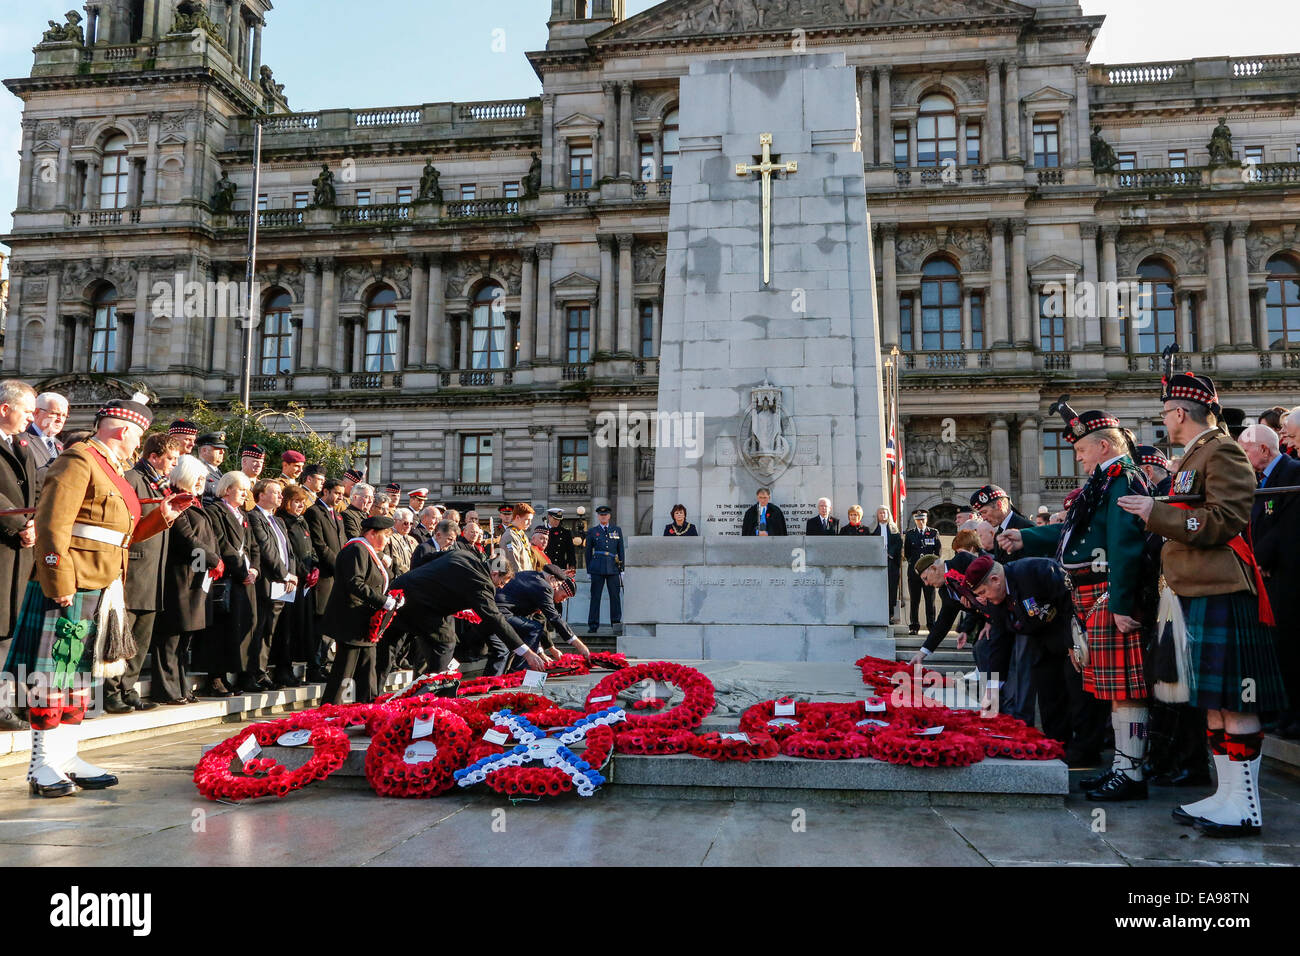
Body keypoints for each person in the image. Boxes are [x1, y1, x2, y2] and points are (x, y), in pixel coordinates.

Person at [1118, 364, 1287, 837]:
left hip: (1221, 588)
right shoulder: (1196, 454)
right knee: (1213, 701)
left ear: (1178, 412)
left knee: (1235, 700)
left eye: (1166, 414)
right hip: (1196, 587)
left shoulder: (1223, 451)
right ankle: (1226, 795)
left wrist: (1157, 513)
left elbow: (1225, 521)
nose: (1164, 422)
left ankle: (1246, 806)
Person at [6, 396, 193, 796]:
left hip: (100, 584)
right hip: (71, 584)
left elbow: (119, 537)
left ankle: (67, 757)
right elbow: (53, 524)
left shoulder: (110, 467)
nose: (139, 445)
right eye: (138, 436)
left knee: (76, 677)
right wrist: (59, 583)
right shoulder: (79, 459)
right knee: (50, 676)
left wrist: (163, 516)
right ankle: (41, 766)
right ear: (124, 430)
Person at [1001, 400, 1150, 792]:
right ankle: (1122, 765)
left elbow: (1125, 544)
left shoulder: (1123, 478)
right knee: (1112, 690)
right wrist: (1026, 536)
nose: (1079, 459)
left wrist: (1122, 603)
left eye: (1081, 451)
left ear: (1103, 446)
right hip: (1089, 594)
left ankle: (1131, 772)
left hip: (1106, 593)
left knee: (1124, 689)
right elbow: (1073, 533)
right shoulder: (1104, 480)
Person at [965, 555, 1095, 759]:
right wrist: (992, 688)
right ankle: (1057, 744)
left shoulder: (1035, 570)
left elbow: (1069, 601)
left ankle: (1085, 750)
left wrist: (1073, 643)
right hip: (1043, 644)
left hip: (1071, 639)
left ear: (995, 580)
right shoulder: (995, 599)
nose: (982, 599)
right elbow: (999, 643)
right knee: (1049, 696)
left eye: (982, 592)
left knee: (1078, 692)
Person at [106, 432, 181, 713]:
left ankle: (128, 688)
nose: (174, 464)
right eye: (170, 459)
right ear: (153, 457)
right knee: (121, 636)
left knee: (141, 638)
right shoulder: (133, 478)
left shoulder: (160, 484)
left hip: (154, 569)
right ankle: (111, 691)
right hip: (135, 567)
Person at [392, 548, 548, 676]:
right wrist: (526, 652)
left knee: (388, 651)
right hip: (422, 605)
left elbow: (427, 558)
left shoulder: (463, 554)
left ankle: (372, 702)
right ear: (494, 573)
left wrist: (416, 577)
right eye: (501, 583)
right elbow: (495, 618)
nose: (500, 588)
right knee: (445, 643)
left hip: (398, 591)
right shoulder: (482, 582)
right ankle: (433, 694)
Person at [1241, 423, 1300, 738]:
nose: (1244, 457)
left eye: (1247, 450)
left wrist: (1261, 559)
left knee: (1291, 646)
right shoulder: (1258, 480)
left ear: (1263, 449)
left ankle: (1293, 715)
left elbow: (1285, 527)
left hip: (1285, 575)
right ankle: (1283, 713)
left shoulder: (1293, 474)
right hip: (1266, 576)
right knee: (1276, 649)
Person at [149, 455, 221, 705]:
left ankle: (180, 685)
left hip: (195, 579)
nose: (202, 481)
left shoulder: (195, 503)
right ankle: (166, 690)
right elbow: (187, 540)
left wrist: (213, 559)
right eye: (198, 476)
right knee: (170, 638)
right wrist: (214, 559)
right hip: (177, 579)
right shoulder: (177, 501)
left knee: (183, 640)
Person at [322, 516, 403, 705]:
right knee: (344, 672)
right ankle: (328, 713)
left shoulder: (367, 551)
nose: (388, 540)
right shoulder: (356, 549)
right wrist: (383, 601)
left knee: (367, 672)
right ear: (372, 533)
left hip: (363, 624)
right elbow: (355, 582)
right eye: (386, 535)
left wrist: (392, 598)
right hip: (351, 621)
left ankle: (367, 709)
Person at [0, 381, 39, 731]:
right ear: (4, 409)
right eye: (26, 411)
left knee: (13, 628)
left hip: (21, 551)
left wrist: (35, 522)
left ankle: (15, 702)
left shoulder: (23, 445)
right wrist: (19, 523)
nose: (31, 418)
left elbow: (36, 489)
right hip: (2, 545)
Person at [200, 471, 260, 698]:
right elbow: (221, 543)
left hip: (245, 579)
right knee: (221, 630)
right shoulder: (215, 511)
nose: (245, 494)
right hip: (228, 579)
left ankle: (228, 675)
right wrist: (242, 571)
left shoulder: (243, 514)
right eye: (241, 489)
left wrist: (254, 568)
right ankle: (215, 678)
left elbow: (254, 545)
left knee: (237, 629)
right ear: (227, 490)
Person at [243, 479, 297, 692]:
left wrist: (291, 573)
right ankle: (254, 672)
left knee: (273, 630)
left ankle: (262, 671)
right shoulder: (254, 517)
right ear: (261, 495)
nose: (280, 497)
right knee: (261, 628)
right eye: (275, 493)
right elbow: (266, 550)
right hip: (267, 581)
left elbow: (287, 550)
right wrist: (285, 574)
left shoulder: (279, 521)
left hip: (283, 583)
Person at [392, 519, 461, 674]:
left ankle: (441, 680)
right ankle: (420, 687)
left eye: (453, 540)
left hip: (443, 607)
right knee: (425, 650)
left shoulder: (447, 551)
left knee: (445, 646)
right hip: (426, 607)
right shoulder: (424, 549)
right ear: (438, 535)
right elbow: (419, 578)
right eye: (449, 539)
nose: (451, 543)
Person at [496, 566, 591, 668]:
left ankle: (511, 674)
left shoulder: (535, 578)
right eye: (564, 596)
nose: (563, 601)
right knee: (532, 629)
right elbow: (554, 618)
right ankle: (520, 671)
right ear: (552, 579)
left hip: (503, 612)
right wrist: (579, 645)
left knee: (524, 635)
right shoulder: (544, 587)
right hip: (499, 613)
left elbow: (538, 619)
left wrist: (544, 651)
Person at [303, 477, 344, 683]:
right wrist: (339, 566)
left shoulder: (337, 515)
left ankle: (325, 664)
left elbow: (342, 544)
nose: (339, 497)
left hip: (336, 577)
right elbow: (320, 545)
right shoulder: (314, 512)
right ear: (325, 491)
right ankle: (314, 666)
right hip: (325, 576)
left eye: (341, 494)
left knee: (330, 623)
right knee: (319, 623)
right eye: (337, 493)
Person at [585, 504, 624, 635]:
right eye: (601, 515)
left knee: (615, 597)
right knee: (595, 597)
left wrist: (622, 569)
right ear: (598, 516)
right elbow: (588, 552)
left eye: (605, 514)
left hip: (613, 567)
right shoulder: (592, 531)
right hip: (597, 567)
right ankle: (593, 624)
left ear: (609, 516)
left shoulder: (616, 530)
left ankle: (616, 623)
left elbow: (621, 550)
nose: (603, 517)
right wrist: (588, 570)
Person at [971, 485, 1033, 564]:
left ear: (999, 505)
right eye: (981, 514)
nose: (983, 518)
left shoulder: (1026, 528)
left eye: (984, 512)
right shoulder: (998, 533)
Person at [903, 509, 941, 635]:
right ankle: (914, 626)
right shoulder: (910, 534)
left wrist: (930, 567)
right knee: (914, 600)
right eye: (918, 519)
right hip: (914, 573)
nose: (921, 522)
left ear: (926, 519)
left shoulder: (933, 533)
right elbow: (907, 553)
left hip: (930, 573)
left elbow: (938, 553)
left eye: (923, 519)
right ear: (915, 520)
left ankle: (931, 625)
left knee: (930, 600)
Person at [867, 506, 902, 623]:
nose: (882, 515)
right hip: (876, 562)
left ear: (888, 515)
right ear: (877, 515)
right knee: (877, 588)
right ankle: (876, 613)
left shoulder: (894, 529)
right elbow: (869, 544)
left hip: (891, 562)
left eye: (884, 513)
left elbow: (898, 543)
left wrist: (890, 553)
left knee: (891, 588)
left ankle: (889, 615)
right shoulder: (872, 529)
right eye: (880, 513)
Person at [28, 391, 68, 485]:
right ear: (36, 412)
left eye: (64, 415)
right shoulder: (21, 440)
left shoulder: (62, 446)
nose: (60, 419)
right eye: (55, 413)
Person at [501, 502, 536, 574]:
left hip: (527, 577)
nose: (530, 523)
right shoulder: (510, 536)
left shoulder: (522, 534)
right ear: (517, 517)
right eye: (527, 519)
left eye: (531, 520)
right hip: (519, 580)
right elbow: (513, 564)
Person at [195, 432, 227, 501]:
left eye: (223, 449)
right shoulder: (197, 470)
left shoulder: (217, 472)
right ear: (204, 451)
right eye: (218, 448)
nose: (222, 452)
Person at [238, 444, 265, 511]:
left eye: (261, 462)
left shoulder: (262, 485)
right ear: (244, 462)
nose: (259, 465)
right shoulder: (235, 482)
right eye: (255, 461)